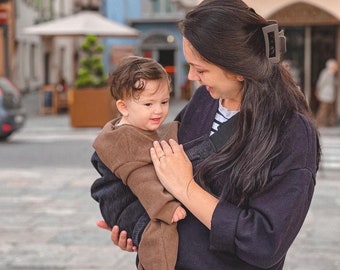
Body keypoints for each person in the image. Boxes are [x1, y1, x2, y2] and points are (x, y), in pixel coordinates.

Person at [95, 0, 321, 269]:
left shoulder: (291, 133)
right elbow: (151, 164)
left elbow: (264, 243)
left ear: (237, 69)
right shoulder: (205, 100)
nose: (191, 77)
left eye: (201, 69)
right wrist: (139, 227)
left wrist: (186, 187)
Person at [91, 56, 186, 270]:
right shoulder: (126, 140)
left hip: (132, 197)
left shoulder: (137, 125)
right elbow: (141, 178)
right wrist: (165, 207)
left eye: (164, 102)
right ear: (124, 107)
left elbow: (158, 136)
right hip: (124, 203)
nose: (158, 111)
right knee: (161, 228)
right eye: (148, 104)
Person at [315, 58, 339, 127]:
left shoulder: (333, 74)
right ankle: (318, 123)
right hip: (325, 95)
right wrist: (318, 90)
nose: (337, 67)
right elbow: (321, 82)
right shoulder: (325, 73)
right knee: (323, 110)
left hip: (331, 95)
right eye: (335, 65)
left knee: (331, 111)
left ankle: (330, 123)